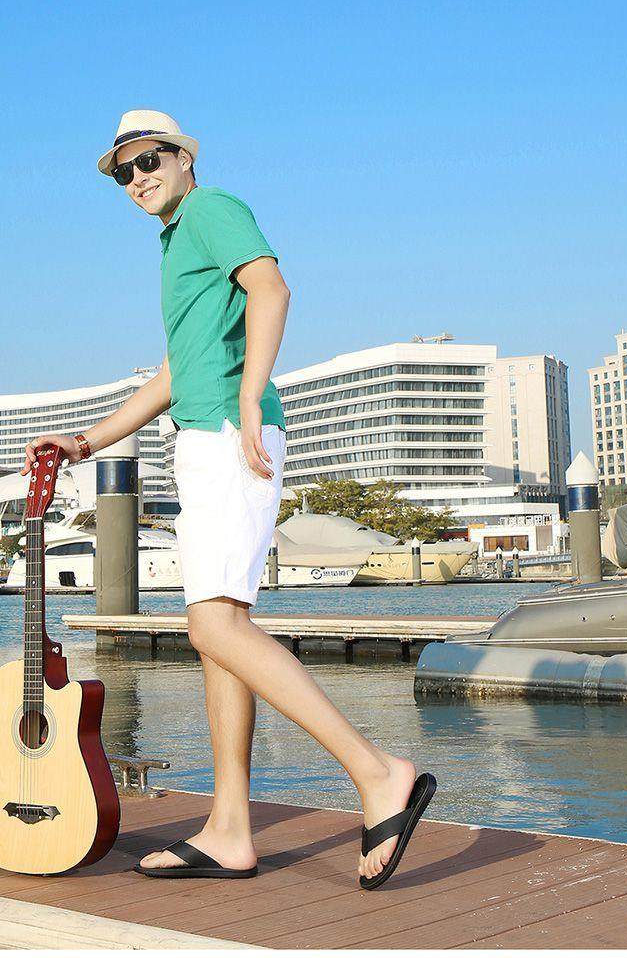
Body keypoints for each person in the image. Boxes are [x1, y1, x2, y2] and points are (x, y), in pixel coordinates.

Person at [22, 110, 435, 888]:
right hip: (204, 436)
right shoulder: (177, 239)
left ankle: (377, 771)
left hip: (227, 437)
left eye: (148, 160)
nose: (137, 177)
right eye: (122, 172)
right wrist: (87, 440)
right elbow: (175, 372)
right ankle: (230, 829)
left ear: (184, 157)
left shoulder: (212, 209)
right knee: (221, 633)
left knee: (211, 625)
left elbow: (272, 288)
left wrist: (248, 397)